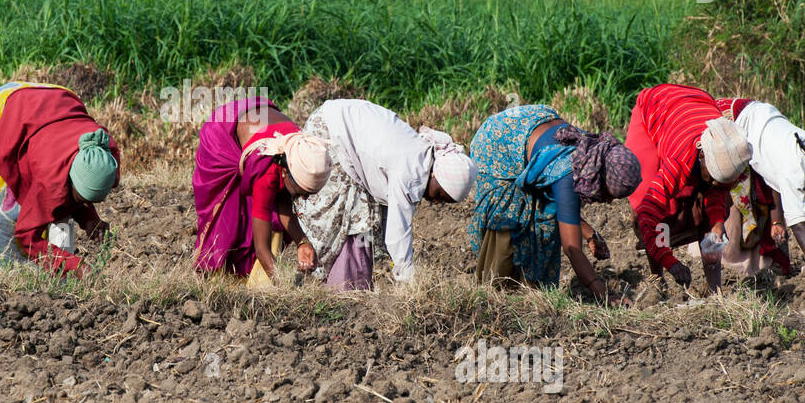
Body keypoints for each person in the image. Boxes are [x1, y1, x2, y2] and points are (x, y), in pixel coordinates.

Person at [295, 99, 475, 289]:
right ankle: (346, 290)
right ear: (434, 173)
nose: (436, 202)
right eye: (439, 194)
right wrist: (408, 280)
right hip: (331, 135)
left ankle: (342, 283)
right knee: (355, 219)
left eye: (443, 202)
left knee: (363, 217)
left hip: (335, 121)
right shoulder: (411, 172)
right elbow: (398, 232)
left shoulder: (421, 156)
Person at [470, 104, 641, 303]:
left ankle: (531, 295)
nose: (610, 201)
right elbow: (571, 248)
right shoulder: (568, 172)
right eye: (610, 194)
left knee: (545, 214)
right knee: (513, 219)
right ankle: (495, 295)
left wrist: (588, 233)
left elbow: (562, 204)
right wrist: (600, 290)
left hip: (530, 125)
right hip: (498, 143)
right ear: (600, 178)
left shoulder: (592, 157)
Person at [0, 80, 118, 276]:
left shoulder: (103, 157)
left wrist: (89, 219)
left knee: (60, 217)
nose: (85, 204)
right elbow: (26, 235)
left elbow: (72, 198)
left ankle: (54, 280)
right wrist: (74, 266)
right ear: (69, 179)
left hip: (59, 100)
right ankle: (9, 275)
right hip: (9, 105)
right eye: (81, 199)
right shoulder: (51, 180)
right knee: (4, 207)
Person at [714, 97, 805, 283]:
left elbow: (776, 174)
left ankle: (761, 264)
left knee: (763, 206)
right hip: (730, 123)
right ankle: (726, 264)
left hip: (755, 115)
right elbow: (798, 226)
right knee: (732, 201)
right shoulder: (796, 169)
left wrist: (776, 222)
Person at [624, 83, 751, 293]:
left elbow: (716, 191)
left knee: (706, 207)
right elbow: (648, 214)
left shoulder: (727, 151)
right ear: (702, 157)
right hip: (656, 106)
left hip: (697, 101)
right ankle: (657, 279)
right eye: (712, 178)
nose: (715, 185)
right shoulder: (679, 161)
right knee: (650, 198)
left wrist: (718, 225)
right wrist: (671, 262)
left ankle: (714, 290)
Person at [192, 96, 330, 283]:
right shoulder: (268, 173)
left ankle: (246, 277)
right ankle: (213, 277)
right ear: (285, 173)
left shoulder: (297, 151)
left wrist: (302, 242)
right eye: (302, 192)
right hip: (222, 131)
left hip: (255, 120)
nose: (303, 199)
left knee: (265, 209)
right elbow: (261, 248)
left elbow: (282, 200)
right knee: (226, 217)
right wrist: (281, 285)